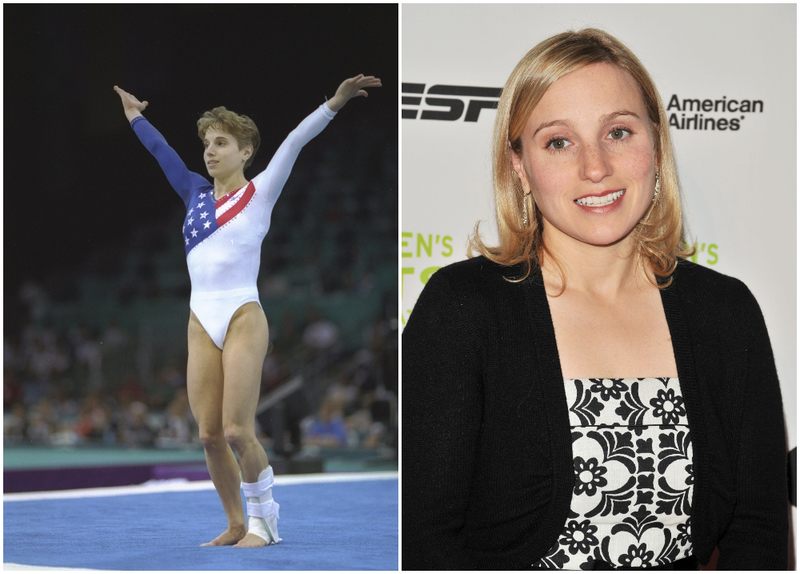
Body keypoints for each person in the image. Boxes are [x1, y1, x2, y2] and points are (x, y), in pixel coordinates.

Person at [402, 29, 788, 570]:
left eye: (619, 132)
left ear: (655, 141)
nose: (595, 167)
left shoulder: (726, 312)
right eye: (558, 141)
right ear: (519, 165)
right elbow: (425, 542)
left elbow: (760, 534)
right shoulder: (462, 308)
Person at [114, 73, 380, 548]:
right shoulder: (194, 193)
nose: (210, 151)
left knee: (238, 429)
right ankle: (237, 523)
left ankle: (265, 523)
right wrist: (136, 116)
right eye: (207, 144)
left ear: (246, 151)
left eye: (221, 143)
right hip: (200, 320)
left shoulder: (259, 193)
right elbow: (162, 154)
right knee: (210, 434)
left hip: (241, 315)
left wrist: (334, 103)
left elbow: (296, 141)